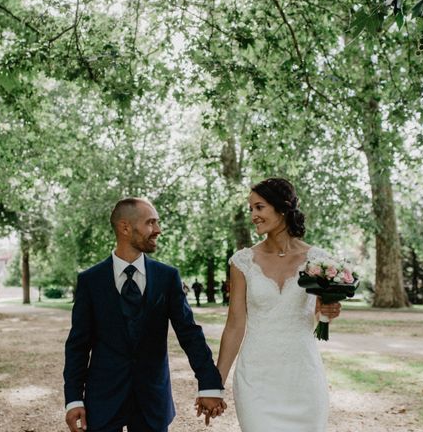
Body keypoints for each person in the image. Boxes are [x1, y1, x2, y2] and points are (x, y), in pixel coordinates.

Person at [64, 198, 226, 432]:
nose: (158, 230)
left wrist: (209, 385)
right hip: (103, 399)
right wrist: (74, 399)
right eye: (151, 223)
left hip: (153, 399)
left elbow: (189, 334)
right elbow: (78, 345)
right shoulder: (90, 280)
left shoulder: (167, 277)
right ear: (125, 227)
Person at [213, 178, 341, 432]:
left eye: (259, 207)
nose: (253, 216)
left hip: (303, 376)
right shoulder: (243, 262)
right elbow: (235, 326)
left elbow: (321, 310)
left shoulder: (318, 260)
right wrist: (215, 385)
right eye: (251, 209)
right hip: (256, 378)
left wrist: (330, 310)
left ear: (282, 208)